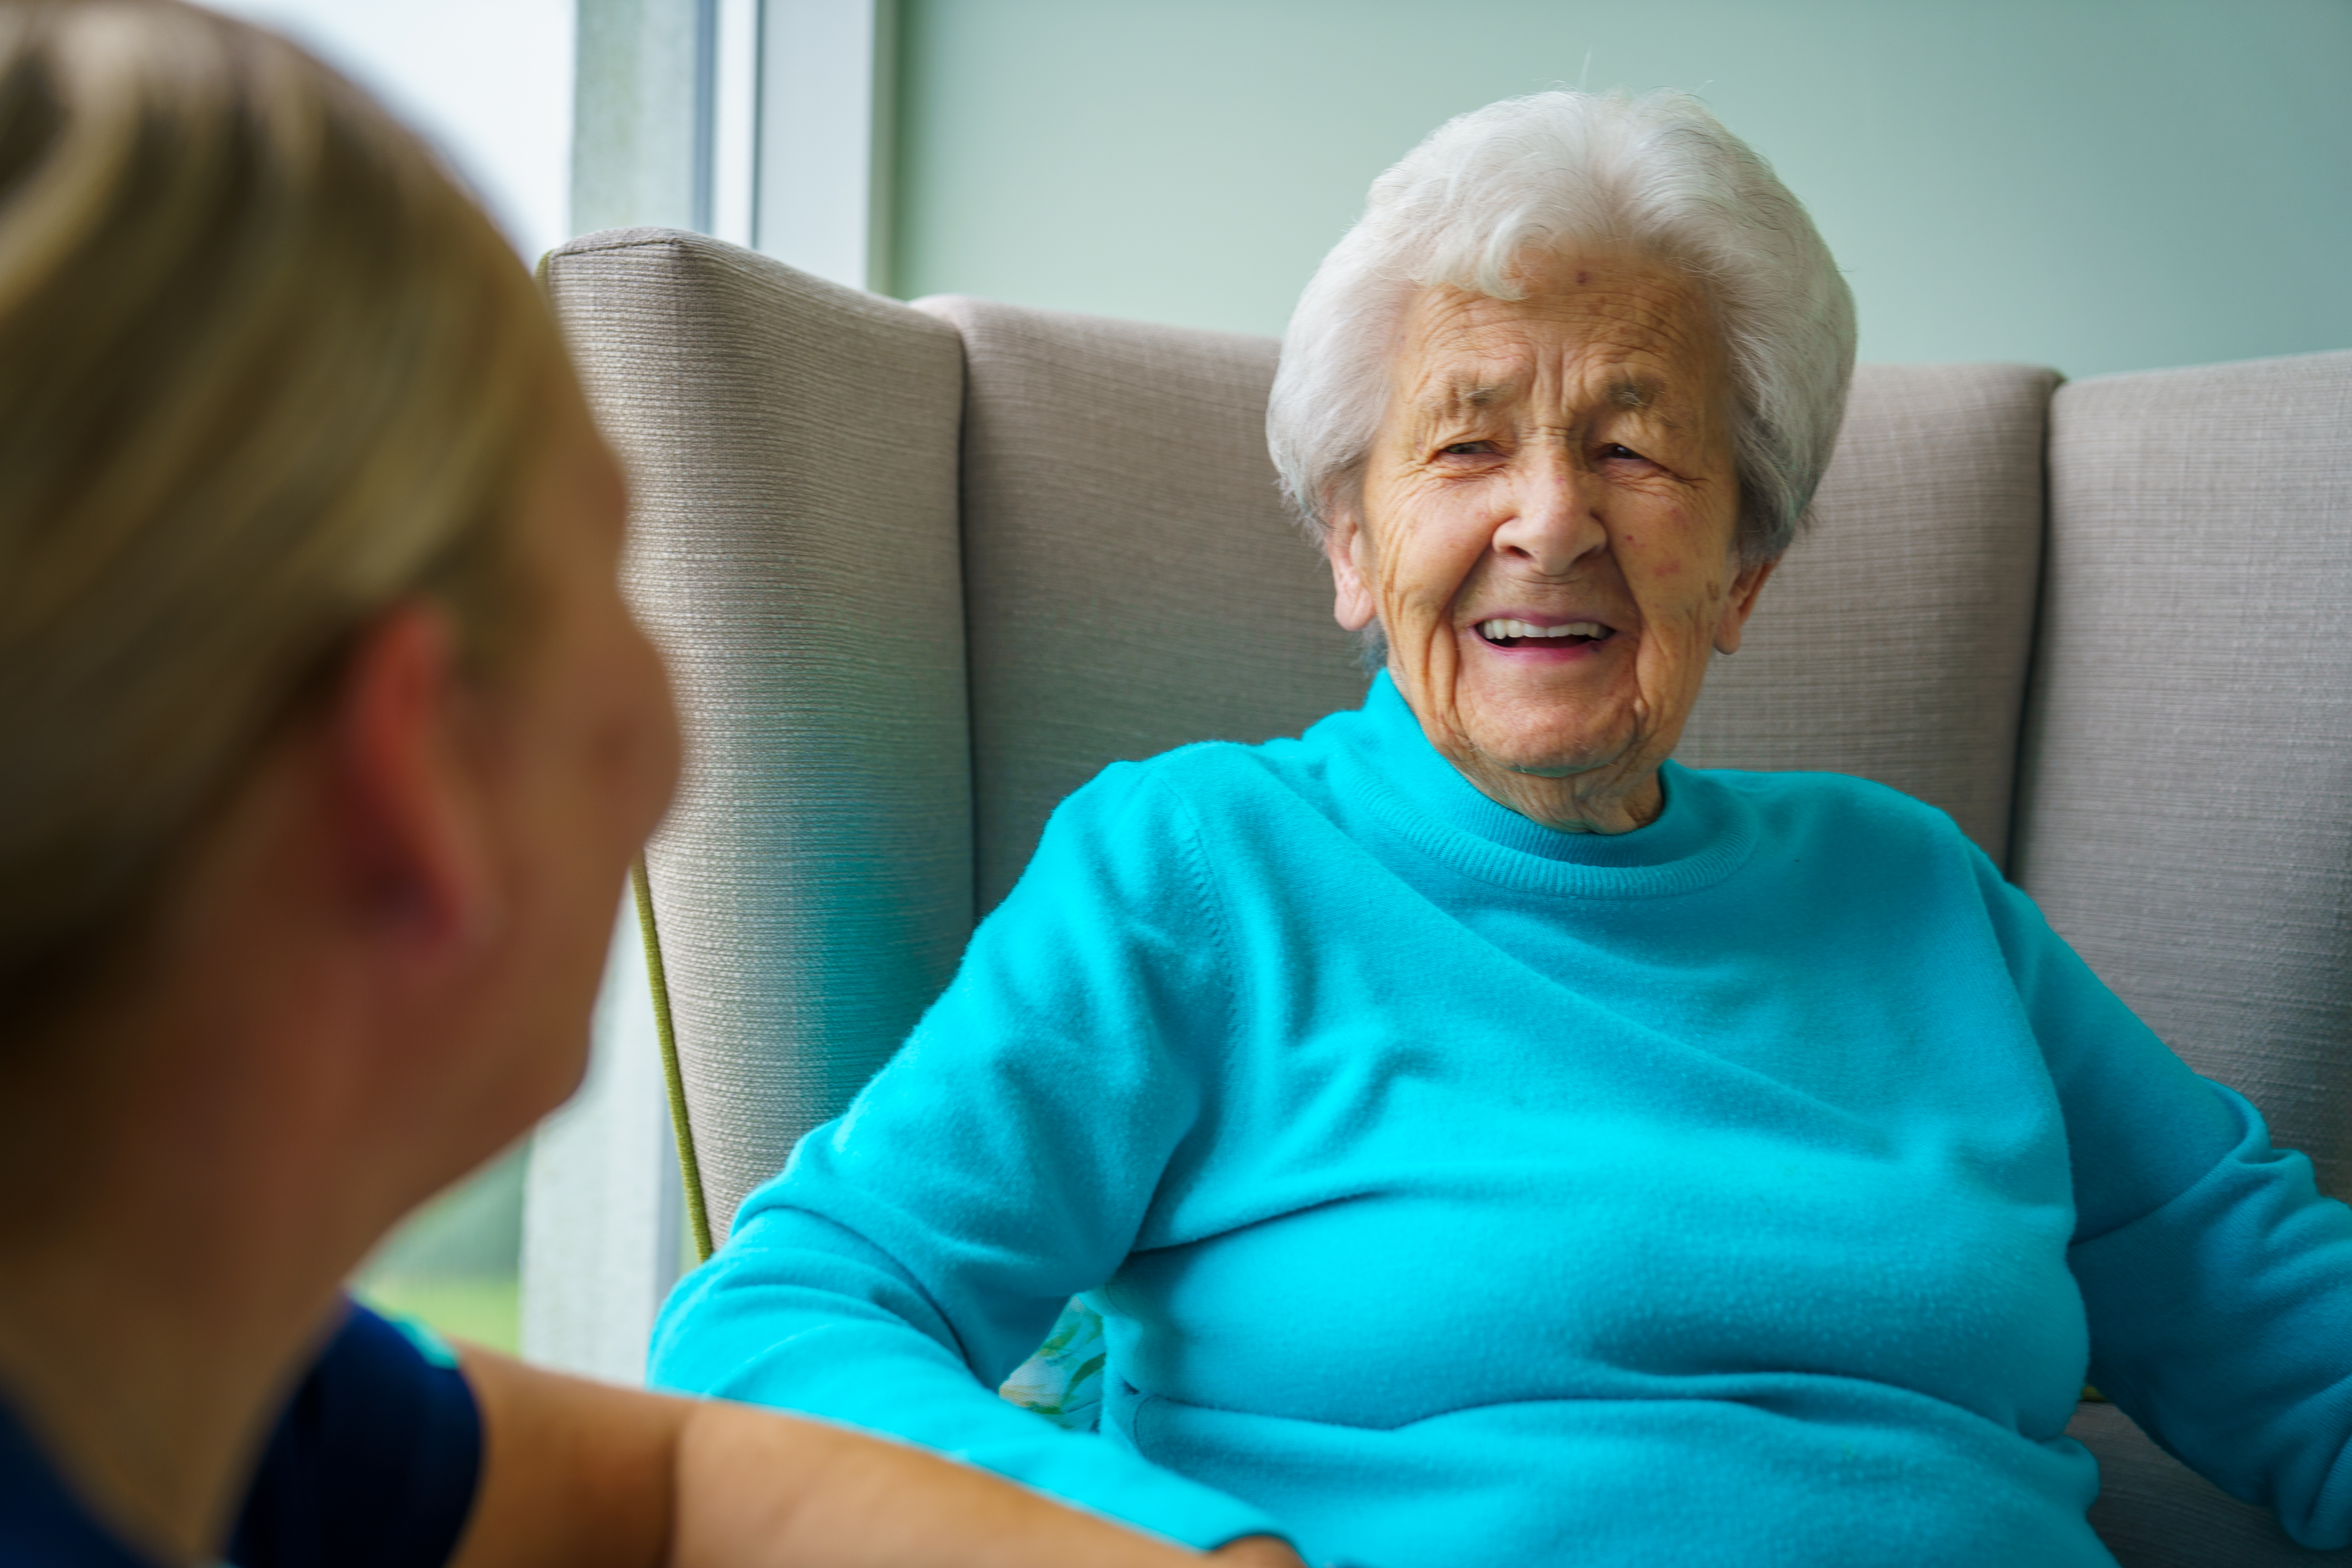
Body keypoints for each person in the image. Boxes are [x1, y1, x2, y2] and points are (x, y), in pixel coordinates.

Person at [647, 88, 2352, 1568]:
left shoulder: (1916, 896)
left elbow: (2287, 1325)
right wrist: (1169, 1548)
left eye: (1633, 444)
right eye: (1465, 441)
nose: (1550, 519)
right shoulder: (1197, 873)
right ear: (1349, 540)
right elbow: (776, 1326)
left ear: (1746, 564)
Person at [0, 3, 1242, 1564]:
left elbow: (663, 1487)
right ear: (426, 765)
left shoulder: (196, 1367)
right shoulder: (1193, 862)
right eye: (615, 567)